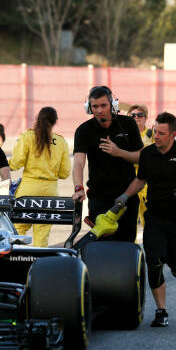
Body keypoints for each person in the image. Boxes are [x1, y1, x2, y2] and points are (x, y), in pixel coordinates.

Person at [113, 112, 176, 327]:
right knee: (154, 262)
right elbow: (140, 180)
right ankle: (161, 311)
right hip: (155, 218)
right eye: (155, 131)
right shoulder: (148, 154)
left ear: (173, 134)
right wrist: (124, 196)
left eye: (161, 133)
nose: (156, 136)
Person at [72, 86, 143, 242]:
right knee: (102, 245)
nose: (99, 110)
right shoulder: (83, 130)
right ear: (89, 108)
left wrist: (119, 152)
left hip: (127, 196)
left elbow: (141, 157)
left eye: (103, 105)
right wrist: (78, 187)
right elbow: (78, 162)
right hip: (99, 198)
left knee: (126, 243)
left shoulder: (128, 124)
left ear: (112, 104)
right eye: (95, 106)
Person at [9, 106, 71, 247]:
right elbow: (64, 173)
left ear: (37, 119)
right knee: (42, 234)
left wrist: (6, 164)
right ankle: (38, 265)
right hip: (50, 191)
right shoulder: (61, 142)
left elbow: (16, 163)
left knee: (19, 228)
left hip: (27, 189)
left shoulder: (28, 136)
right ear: (55, 122)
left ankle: (19, 262)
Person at [128, 104, 154, 228]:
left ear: (145, 117)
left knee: (148, 220)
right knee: (130, 221)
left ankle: (150, 246)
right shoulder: (124, 136)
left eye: (140, 115)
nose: (136, 117)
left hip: (147, 182)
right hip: (129, 181)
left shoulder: (153, 134)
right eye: (133, 115)